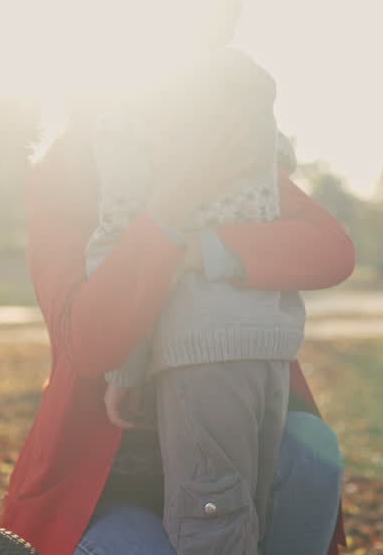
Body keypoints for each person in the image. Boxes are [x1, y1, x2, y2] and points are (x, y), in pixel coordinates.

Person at [0, 110, 354, 555]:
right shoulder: (66, 179)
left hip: (238, 438)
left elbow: (330, 248)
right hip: (109, 480)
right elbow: (90, 344)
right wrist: (168, 210)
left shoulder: (218, 156)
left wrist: (199, 247)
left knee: (312, 453)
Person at [88, 47, 296, 554]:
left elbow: (125, 248)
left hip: (198, 353)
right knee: (248, 522)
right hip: (269, 345)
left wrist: (125, 371)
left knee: (210, 531)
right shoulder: (250, 95)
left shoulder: (129, 111)